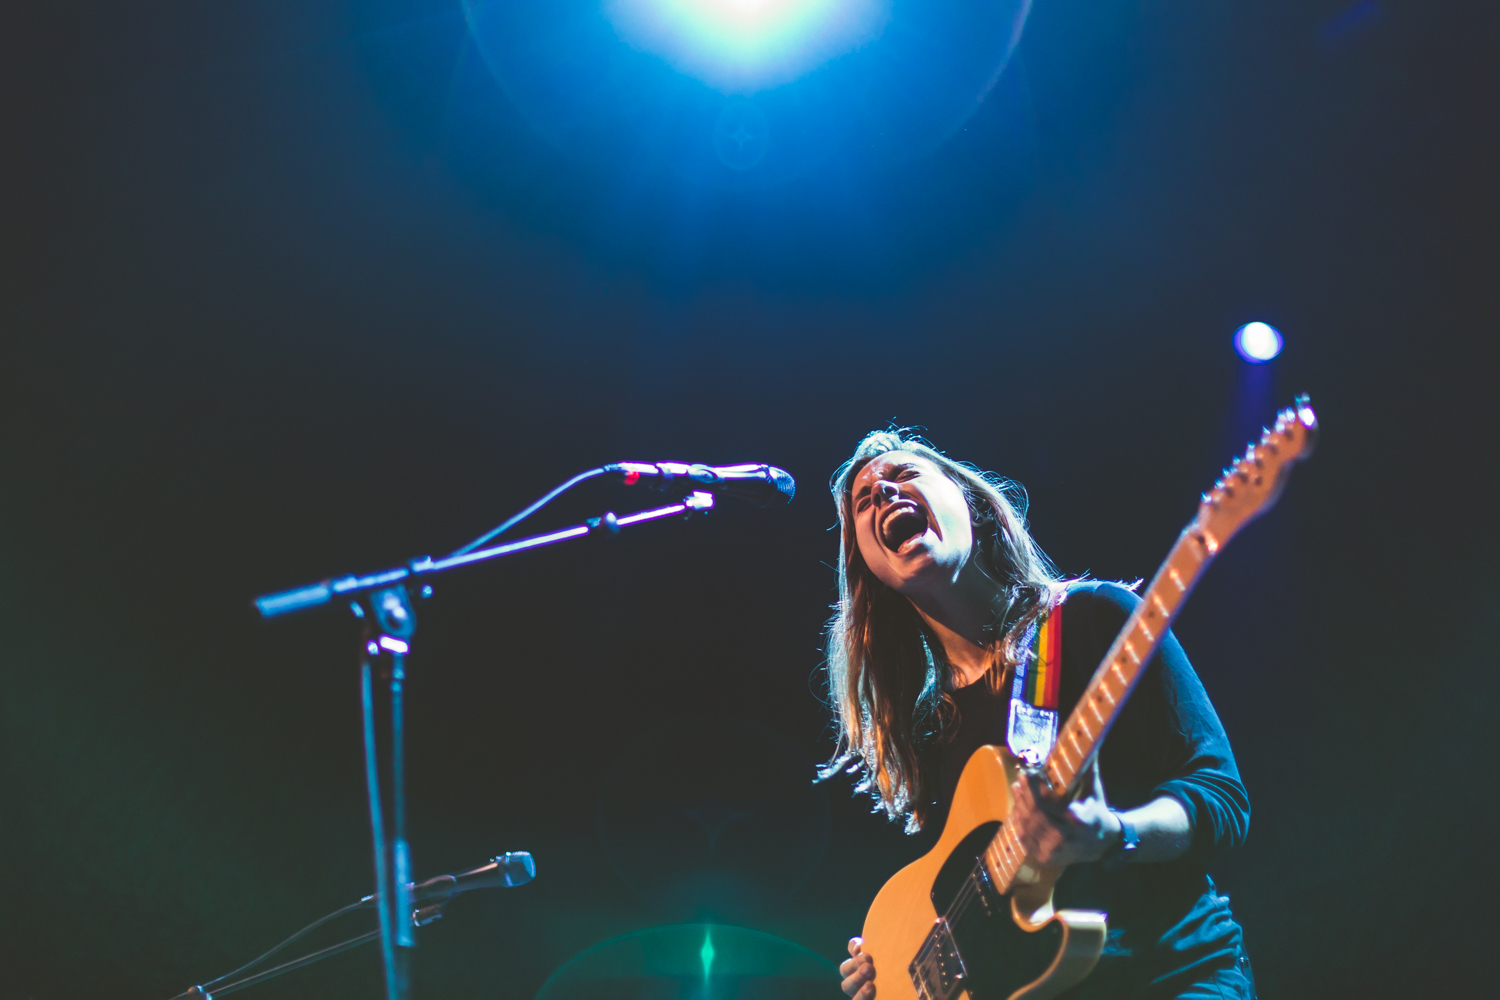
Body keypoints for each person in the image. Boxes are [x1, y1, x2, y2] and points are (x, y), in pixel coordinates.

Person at [823, 429, 1256, 1000]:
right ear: (867, 565)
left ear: (969, 502)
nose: (881, 492)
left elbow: (1222, 797)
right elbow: (963, 904)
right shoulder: (926, 727)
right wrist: (896, 965)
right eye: (863, 499)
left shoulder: (1092, 618)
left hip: (1170, 974)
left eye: (903, 475)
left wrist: (1114, 834)